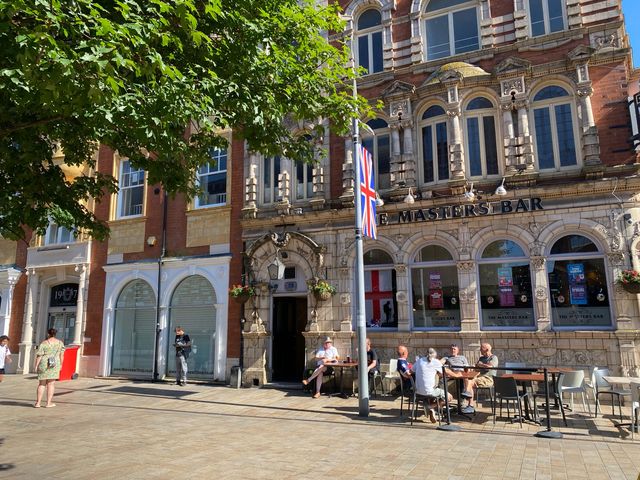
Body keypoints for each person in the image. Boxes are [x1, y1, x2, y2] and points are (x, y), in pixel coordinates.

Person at [411, 348, 456, 423]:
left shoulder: (419, 361)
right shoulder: (435, 362)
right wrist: (456, 375)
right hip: (430, 391)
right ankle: (430, 406)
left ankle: (432, 409)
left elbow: (411, 371)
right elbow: (445, 372)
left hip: (417, 391)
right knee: (449, 397)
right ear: (435, 355)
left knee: (432, 390)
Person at [461, 342, 499, 413]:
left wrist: (480, 365)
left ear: (487, 350)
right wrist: (472, 367)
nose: (480, 350)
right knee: (467, 379)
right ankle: (469, 402)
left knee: (470, 383)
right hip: (479, 378)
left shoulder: (493, 358)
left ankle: (469, 402)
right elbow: (477, 367)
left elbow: (490, 367)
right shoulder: (481, 358)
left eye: (481, 349)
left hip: (488, 379)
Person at [34, 328, 65, 408]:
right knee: (51, 384)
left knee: (41, 384)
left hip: (44, 363)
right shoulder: (60, 343)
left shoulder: (44, 343)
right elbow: (62, 355)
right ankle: (48, 403)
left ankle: (38, 403)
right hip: (55, 363)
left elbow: (39, 355)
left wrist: (36, 365)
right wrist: (61, 364)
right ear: (55, 334)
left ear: (48, 334)